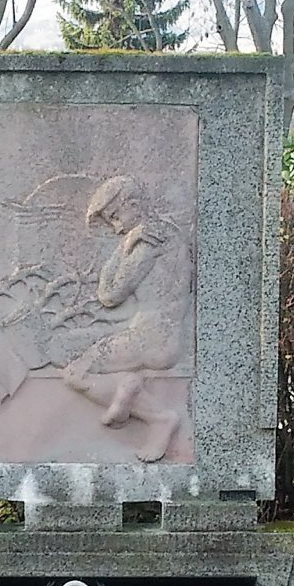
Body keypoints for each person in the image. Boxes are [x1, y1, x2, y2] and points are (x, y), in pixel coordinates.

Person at [59, 176, 193, 462]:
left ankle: (158, 417)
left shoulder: (150, 239)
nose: (117, 228)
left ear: (134, 204)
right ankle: (126, 388)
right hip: (158, 334)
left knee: (75, 373)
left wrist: (123, 248)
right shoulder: (166, 232)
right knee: (76, 348)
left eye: (116, 217)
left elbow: (109, 295)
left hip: (152, 338)